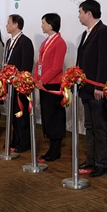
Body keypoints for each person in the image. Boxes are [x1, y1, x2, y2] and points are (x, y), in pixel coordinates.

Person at [76, 0, 107, 177]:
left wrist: (100, 85)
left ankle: (101, 163)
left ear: (89, 13)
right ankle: (91, 159)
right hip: (85, 88)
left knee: (99, 127)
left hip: (96, 89)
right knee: (89, 126)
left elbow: (105, 61)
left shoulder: (104, 31)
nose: (78, 16)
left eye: (80, 12)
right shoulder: (87, 33)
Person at [34, 13, 67, 162]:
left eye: (44, 23)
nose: (42, 26)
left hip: (53, 85)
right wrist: (36, 79)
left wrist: (42, 80)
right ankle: (52, 148)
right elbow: (39, 63)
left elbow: (56, 67)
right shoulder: (45, 41)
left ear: (51, 25)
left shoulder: (59, 42)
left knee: (55, 117)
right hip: (44, 84)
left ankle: (55, 150)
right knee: (47, 116)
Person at [4, 14, 34, 152]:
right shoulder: (9, 42)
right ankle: (15, 139)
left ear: (16, 24)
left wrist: (20, 80)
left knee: (21, 114)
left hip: (20, 84)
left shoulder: (25, 41)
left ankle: (24, 142)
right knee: (12, 114)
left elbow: (26, 64)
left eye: (9, 23)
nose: (6, 25)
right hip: (10, 84)